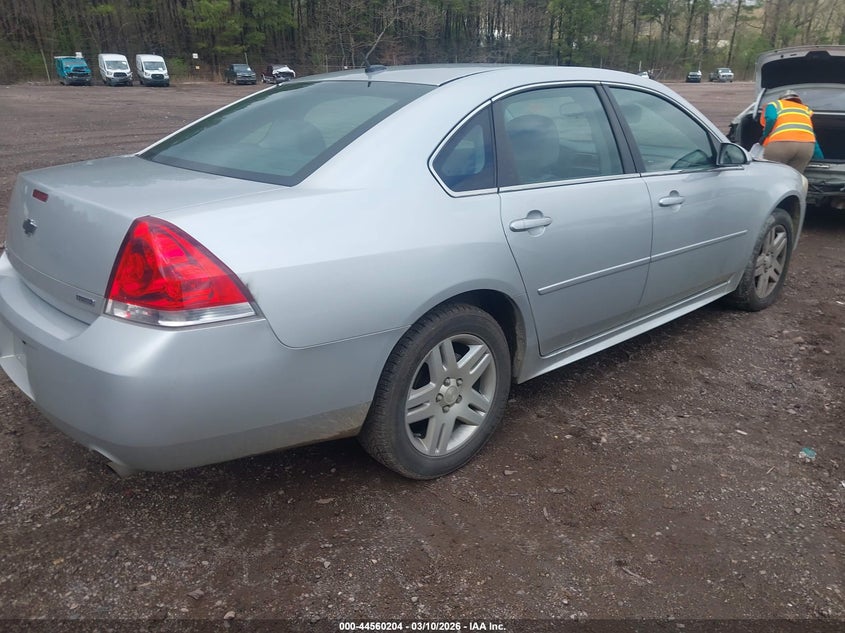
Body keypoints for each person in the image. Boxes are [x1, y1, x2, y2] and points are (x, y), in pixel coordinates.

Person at [759, 90, 823, 172]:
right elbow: (812, 136)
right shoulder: (805, 109)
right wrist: (821, 159)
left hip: (782, 143)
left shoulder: (775, 104)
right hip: (806, 147)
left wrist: (765, 135)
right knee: (794, 178)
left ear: (781, 99)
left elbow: (771, 118)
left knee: (772, 174)